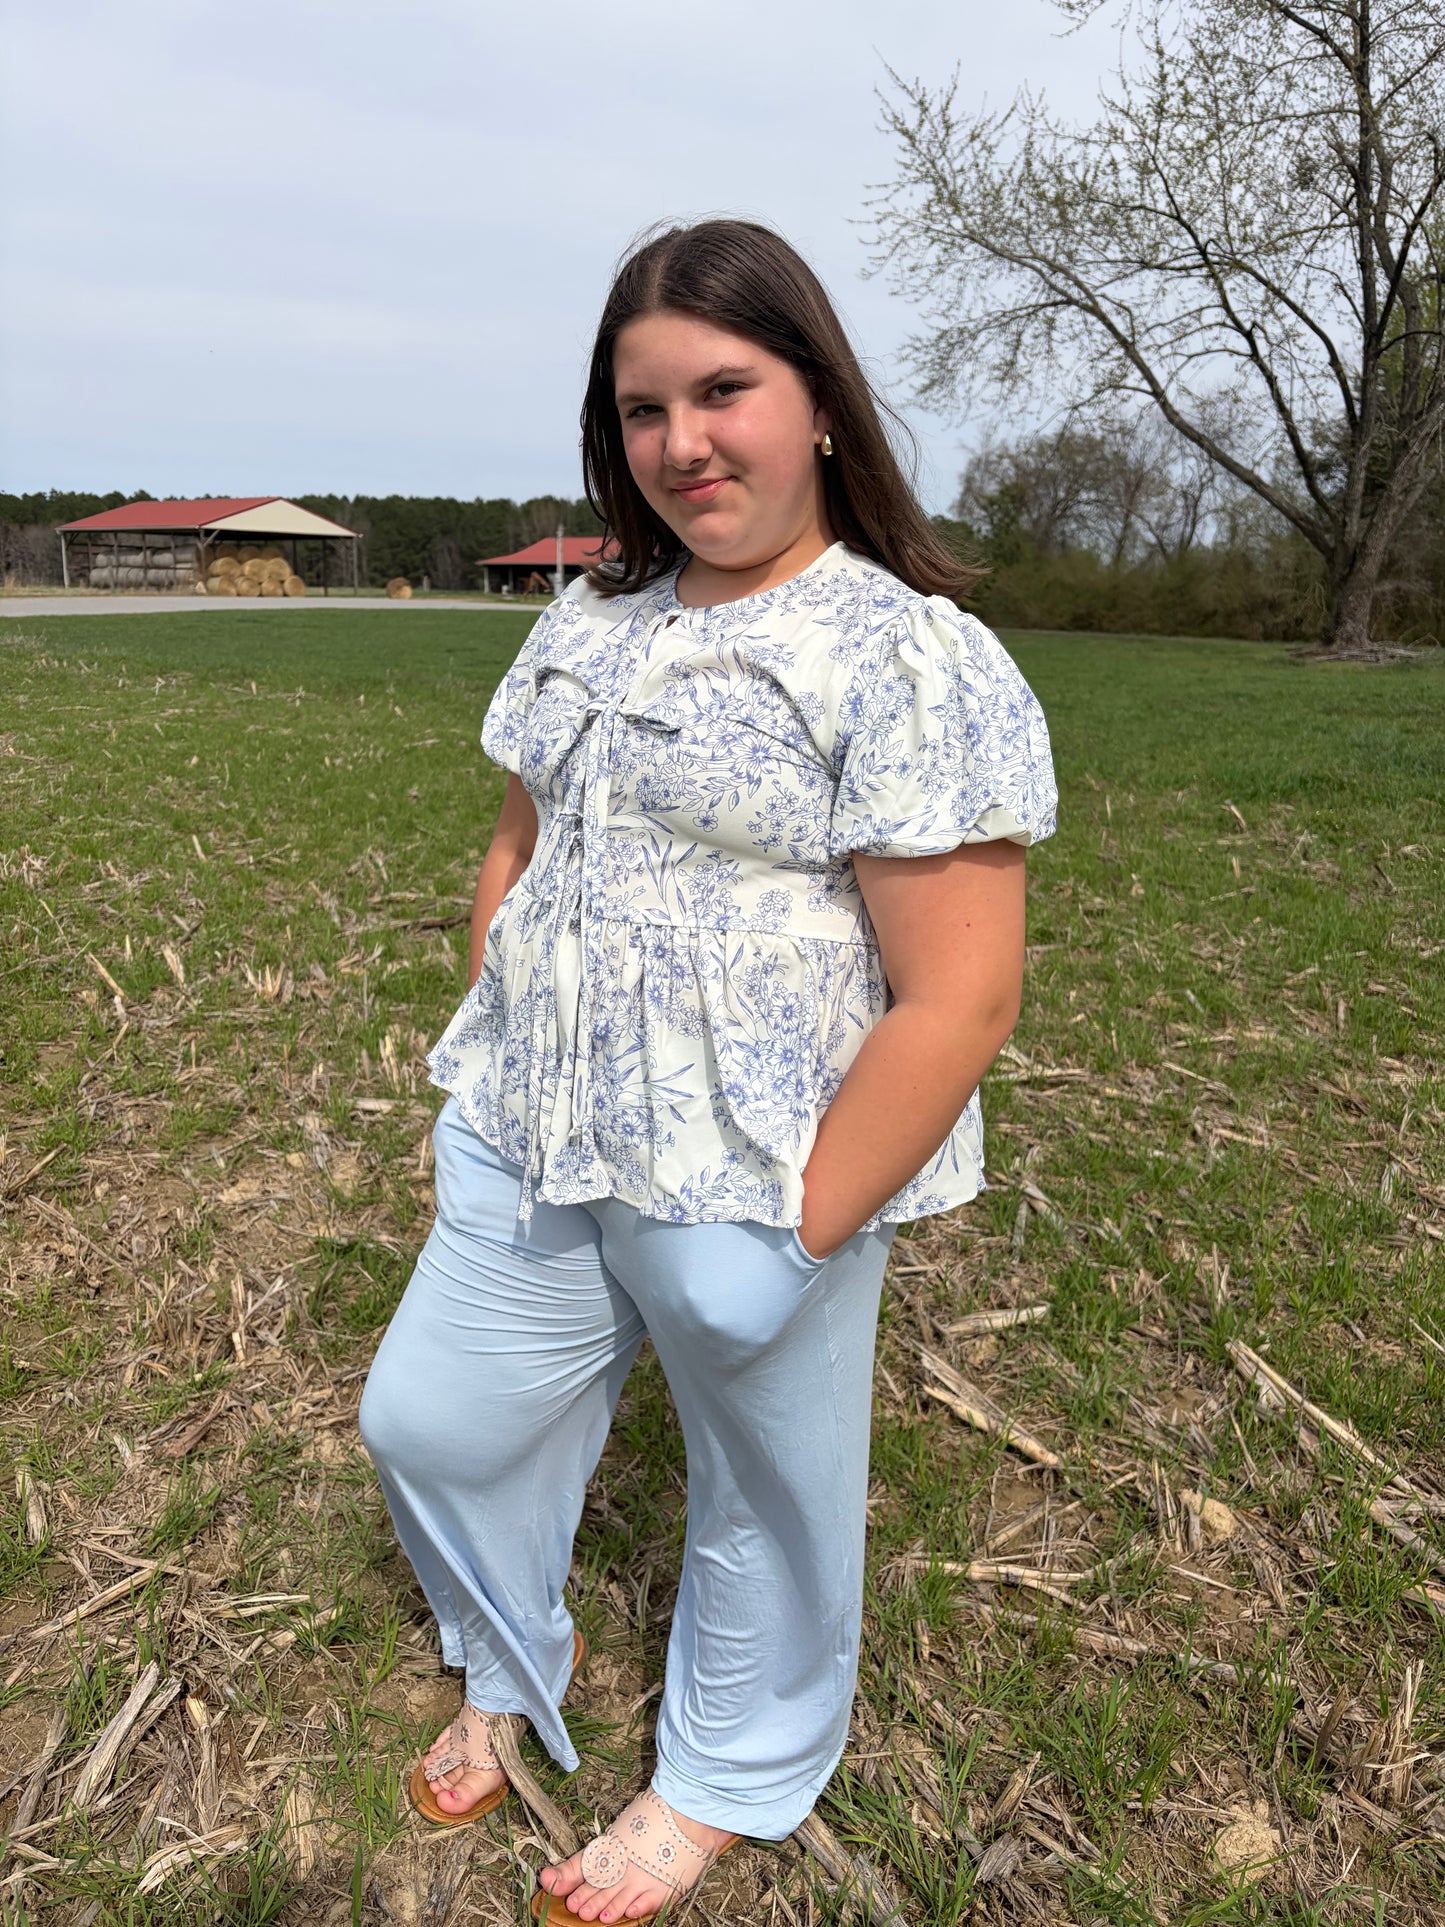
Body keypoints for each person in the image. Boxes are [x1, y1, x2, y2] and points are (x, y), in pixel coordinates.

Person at [359, 217, 1058, 1926]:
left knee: (768, 1496)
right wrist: (505, 1033)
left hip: (757, 1167)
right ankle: (509, 1651)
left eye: (723, 390)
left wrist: (801, 1228)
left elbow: (958, 996)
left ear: (818, 399)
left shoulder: (902, 652)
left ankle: (724, 1776)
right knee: (428, 1419)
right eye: (644, 409)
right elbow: (518, 845)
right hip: (534, 1129)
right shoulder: (587, 618)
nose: (683, 443)